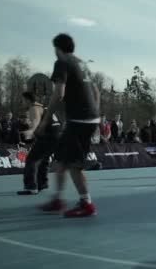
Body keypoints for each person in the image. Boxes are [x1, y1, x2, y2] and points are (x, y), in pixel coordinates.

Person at [37, 33, 100, 218]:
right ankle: (58, 199)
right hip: (85, 118)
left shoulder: (62, 62)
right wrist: (95, 114)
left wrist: (45, 120)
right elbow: (95, 90)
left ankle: (87, 204)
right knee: (61, 161)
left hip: (80, 120)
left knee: (73, 165)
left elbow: (59, 93)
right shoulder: (81, 63)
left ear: (57, 48)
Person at [17, 91, 61, 195]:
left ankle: (31, 187)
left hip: (49, 137)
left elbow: (36, 122)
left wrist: (31, 131)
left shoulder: (33, 108)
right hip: (58, 135)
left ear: (27, 100)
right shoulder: (42, 107)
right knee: (43, 158)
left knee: (31, 159)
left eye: (22, 100)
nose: (21, 102)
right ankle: (42, 183)